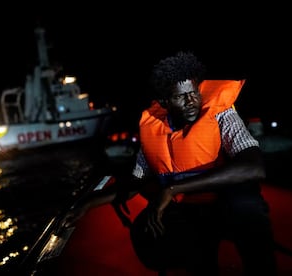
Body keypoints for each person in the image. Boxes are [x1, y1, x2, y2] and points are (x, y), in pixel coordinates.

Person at [60, 51, 277, 275]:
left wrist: (172, 189)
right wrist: (87, 203)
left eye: (194, 93)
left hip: (226, 203)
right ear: (164, 102)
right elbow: (136, 181)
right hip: (192, 209)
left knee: (246, 205)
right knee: (150, 230)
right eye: (180, 97)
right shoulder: (155, 127)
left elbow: (254, 167)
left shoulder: (222, 115)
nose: (191, 101)